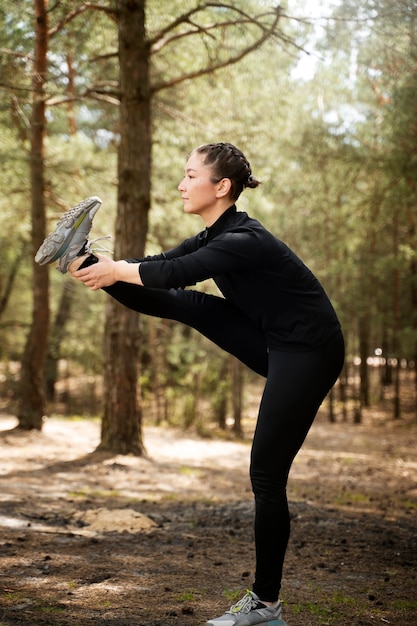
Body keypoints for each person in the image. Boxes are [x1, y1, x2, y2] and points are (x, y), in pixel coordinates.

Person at [36, 142, 344, 626]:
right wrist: (97, 266)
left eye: (189, 175)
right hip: (274, 339)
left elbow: (177, 271)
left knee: (265, 473)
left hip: (310, 352)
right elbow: (162, 275)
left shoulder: (246, 240)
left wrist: (118, 269)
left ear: (221, 187)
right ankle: (79, 252)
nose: (181, 185)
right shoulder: (214, 235)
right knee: (190, 305)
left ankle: (265, 607)